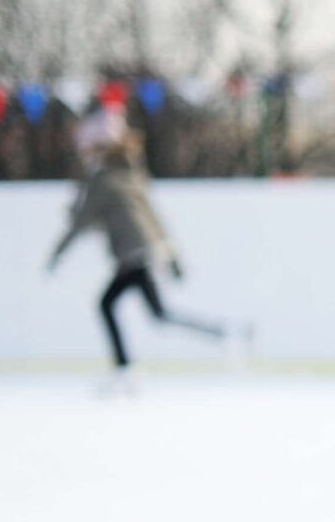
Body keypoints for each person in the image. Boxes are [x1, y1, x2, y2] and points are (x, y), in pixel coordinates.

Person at [46, 108, 221, 382]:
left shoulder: (102, 181)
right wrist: (171, 257)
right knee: (159, 315)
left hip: (132, 255)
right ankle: (222, 335)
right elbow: (147, 218)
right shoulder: (130, 176)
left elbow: (81, 223)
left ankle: (124, 368)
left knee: (107, 305)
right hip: (144, 253)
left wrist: (57, 254)